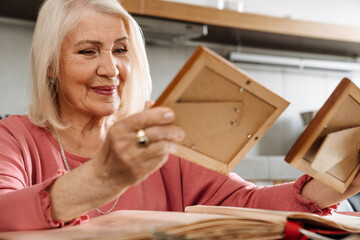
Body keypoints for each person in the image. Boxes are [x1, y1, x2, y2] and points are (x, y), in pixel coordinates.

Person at [0, 0, 359, 232]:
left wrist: (330, 186)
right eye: (88, 51)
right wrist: (100, 180)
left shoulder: (161, 141)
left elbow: (249, 205)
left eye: (120, 50)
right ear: (50, 67)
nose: (111, 68)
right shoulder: (14, 138)